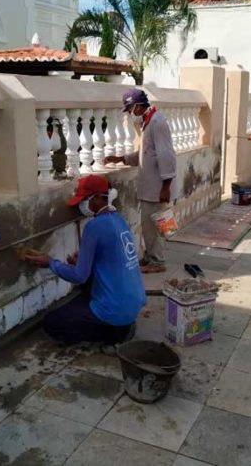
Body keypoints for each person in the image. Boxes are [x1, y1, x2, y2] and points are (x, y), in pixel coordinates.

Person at [21, 175, 146, 345]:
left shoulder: (94, 227)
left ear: (96, 198)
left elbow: (80, 276)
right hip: (133, 303)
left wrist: (50, 262)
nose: (81, 206)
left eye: (84, 200)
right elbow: (110, 259)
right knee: (83, 296)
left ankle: (112, 335)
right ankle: (121, 326)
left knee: (52, 322)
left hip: (115, 309)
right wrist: (82, 263)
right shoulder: (119, 220)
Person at [104, 88, 176, 274]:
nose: (129, 113)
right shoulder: (148, 122)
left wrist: (165, 187)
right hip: (151, 186)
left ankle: (157, 261)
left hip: (157, 188)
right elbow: (145, 154)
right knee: (149, 225)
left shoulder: (157, 122)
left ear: (137, 106)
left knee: (153, 226)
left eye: (129, 109)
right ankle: (151, 256)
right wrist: (121, 159)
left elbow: (166, 155)